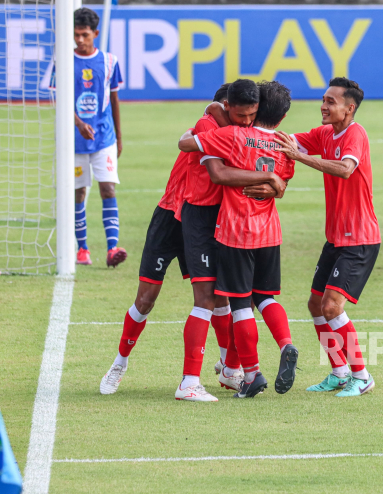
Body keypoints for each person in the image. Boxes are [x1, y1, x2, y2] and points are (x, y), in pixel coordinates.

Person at [99, 84, 279, 398]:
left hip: (207, 219)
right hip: (173, 216)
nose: (247, 123)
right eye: (240, 115)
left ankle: (228, 369)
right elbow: (216, 168)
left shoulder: (234, 128)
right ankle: (120, 363)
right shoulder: (209, 125)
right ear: (225, 107)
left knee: (217, 296)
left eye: (252, 116)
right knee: (146, 299)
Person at [179, 80, 298, 399]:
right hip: (269, 232)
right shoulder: (287, 146)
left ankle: (250, 373)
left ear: (256, 110)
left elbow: (188, 145)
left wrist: (213, 113)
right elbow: (283, 180)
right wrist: (274, 179)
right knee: (266, 298)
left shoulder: (232, 135)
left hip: (233, 230)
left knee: (239, 304)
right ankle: (284, 345)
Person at [273, 77, 378, 397]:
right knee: (316, 305)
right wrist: (252, 132)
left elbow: (346, 169)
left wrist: (300, 158)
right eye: (323, 100)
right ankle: (339, 372)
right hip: (336, 238)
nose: (323, 106)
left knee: (331, 306)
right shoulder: (326, 133)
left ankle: (362, 376)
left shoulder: (354, 134)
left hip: (358, 238)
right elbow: (287, 140)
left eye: (331, 102)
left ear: (350, 108)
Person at [52, 7, 127, 268]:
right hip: (73, 141)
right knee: (79, 191)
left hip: (103, 137)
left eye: (84, 34)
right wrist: (79, 123)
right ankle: (82, 249)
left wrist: (118, 135)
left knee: (108, 188)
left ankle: (112, 248)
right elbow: (58, 99)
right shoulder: (62, 60)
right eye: (75, 35)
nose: (80, 40)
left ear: (95, 33)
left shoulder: (109, 61)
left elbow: (115, 97)